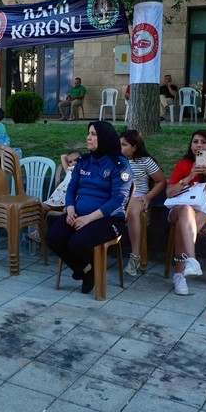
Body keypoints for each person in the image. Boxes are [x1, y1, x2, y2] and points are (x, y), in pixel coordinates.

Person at [45, 120, 131, 294]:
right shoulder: (84, 161)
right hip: (78, 214)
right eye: (88, 133)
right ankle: (86, 269)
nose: (88, 138)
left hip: (108, 219)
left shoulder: (119, 164)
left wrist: (88, 219)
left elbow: (118, 199)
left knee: (77, 243)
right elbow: (71, 188)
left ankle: (86, 270)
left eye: (93, 134)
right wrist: (70, 209)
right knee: (52, 237)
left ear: (104, 138)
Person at [165, 129, 206, 296]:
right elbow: (169, 193)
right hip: (178, 208)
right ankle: (191, 260)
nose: (198, 145)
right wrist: (189, 176)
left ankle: (179, 275)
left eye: (203, 142)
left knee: (183, 225)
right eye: (195, 142)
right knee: (185, 211)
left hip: (205, 212)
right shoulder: (183, 164)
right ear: (191, 145)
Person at [120, 130, 165, 277]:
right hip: (120, 196)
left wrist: (148, 196)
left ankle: (135, 257)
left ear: (134, 147)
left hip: (138, 196)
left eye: (124, 145)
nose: (120, 147)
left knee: (133, 212)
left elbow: (161, 181)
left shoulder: (145, 161)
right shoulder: (117, 160)